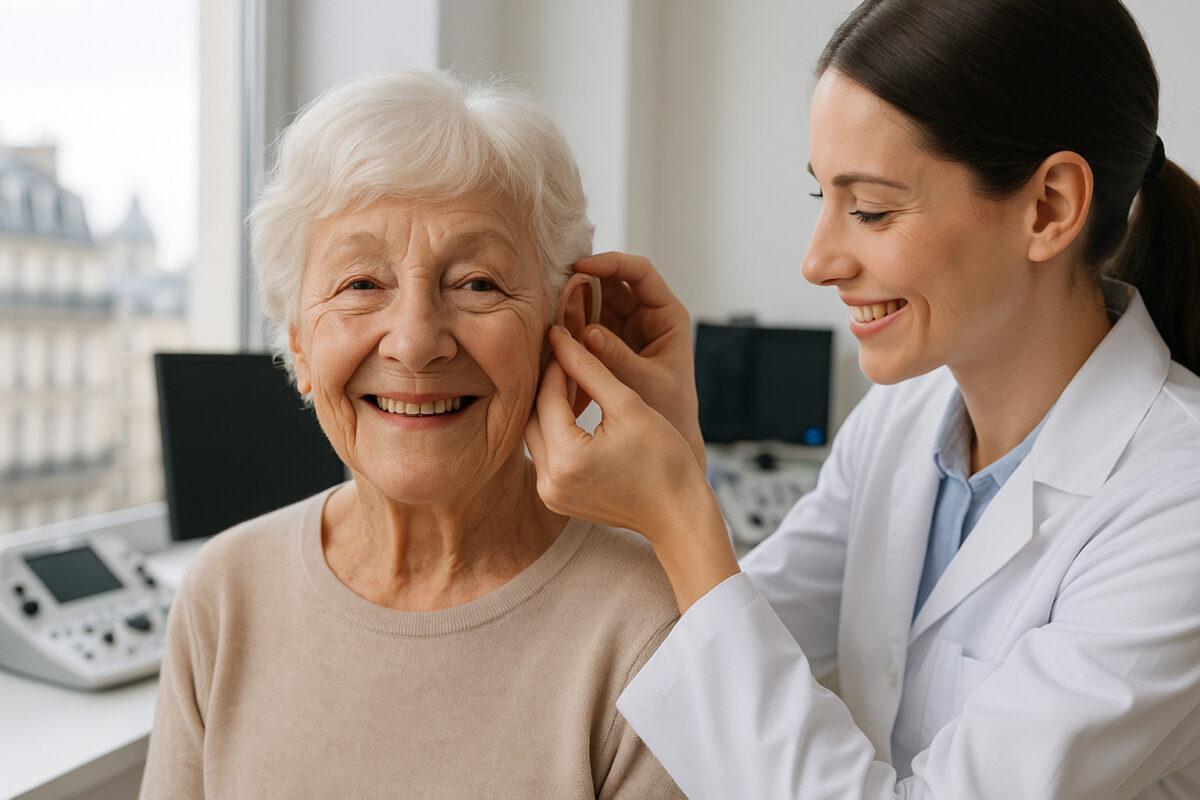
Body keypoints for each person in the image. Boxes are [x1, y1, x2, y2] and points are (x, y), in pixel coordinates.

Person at [525, 0, 1200, 796]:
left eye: (872, 209)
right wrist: (674, 460)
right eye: (824, 199)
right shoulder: (901, 421)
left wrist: (677, 508)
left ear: (1048, 207)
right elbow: (730, 647)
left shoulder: (1176, 504)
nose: (816, 261)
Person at [140, 68, 684, 799]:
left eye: (478, 284)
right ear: (299, 345)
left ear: (566, 323)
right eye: (362, 284)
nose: (416, 341)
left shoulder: (650, 623)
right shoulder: (225, 593)